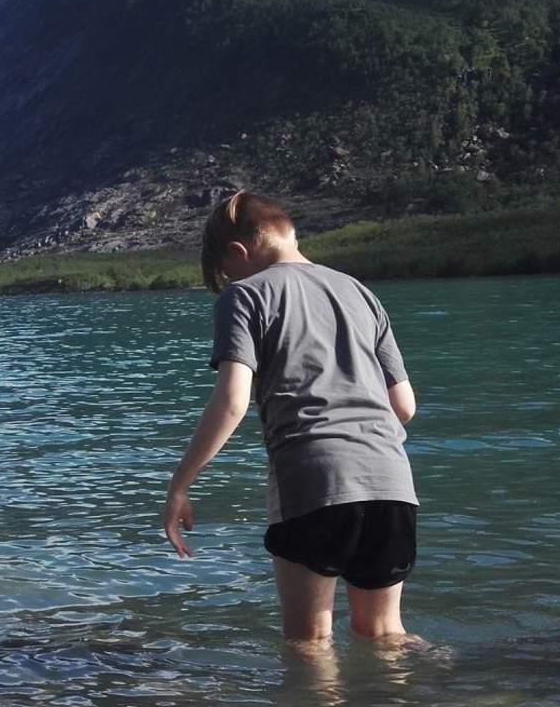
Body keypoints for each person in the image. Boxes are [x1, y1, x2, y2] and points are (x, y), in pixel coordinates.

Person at [163, 191, 420, 648]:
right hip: (392, 482)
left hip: (313, 481)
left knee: (309, 642)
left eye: (226, 273)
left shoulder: (244, 296)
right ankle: (423, 706)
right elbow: (403, 406)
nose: (229, 281)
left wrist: (179, 485)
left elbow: (232, 403)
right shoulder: (359, 291)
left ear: (239, 253)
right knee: (384, 635)